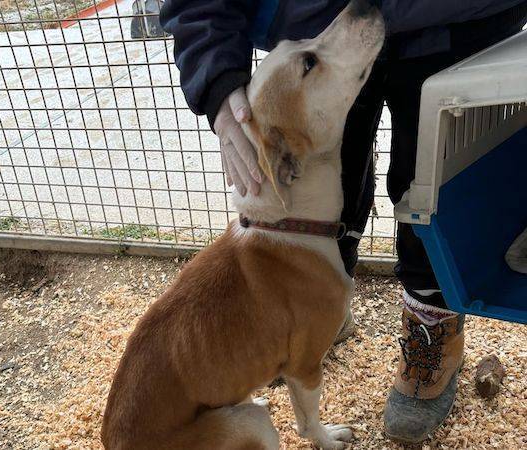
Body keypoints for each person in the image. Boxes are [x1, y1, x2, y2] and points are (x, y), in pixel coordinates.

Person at [159, 0, 527, 444]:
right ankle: (317, 320)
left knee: (435, 193)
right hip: (312, 15)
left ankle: (429, 328)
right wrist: (216, 82)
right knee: (334, 196)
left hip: (454, 21)